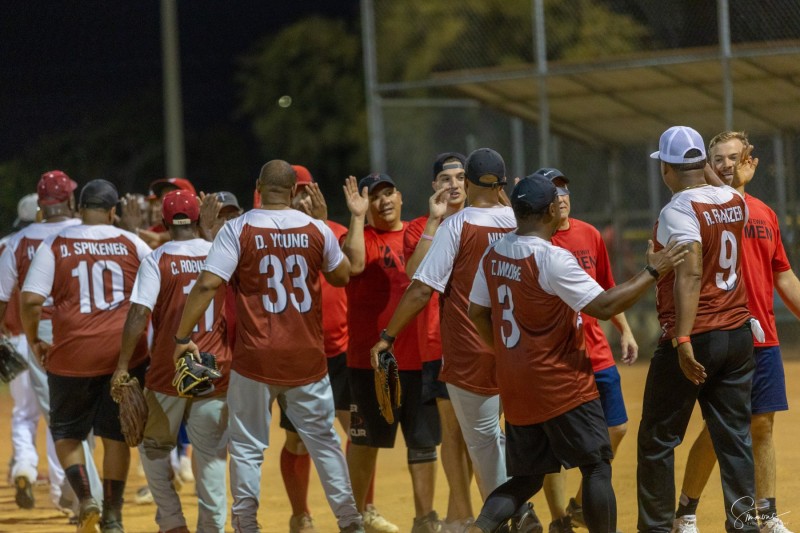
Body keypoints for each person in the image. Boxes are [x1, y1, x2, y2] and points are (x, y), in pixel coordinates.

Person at [464, 175, 687, 533]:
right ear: (551, 209)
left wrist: (508, 354)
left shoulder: (495, 252)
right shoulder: (551, 258)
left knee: (527, 478)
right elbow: (604, 304)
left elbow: (476, 312)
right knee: (597, 465)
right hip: (561, 382)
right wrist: (653, 270)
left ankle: (478, 528)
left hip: (517, 385)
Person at [172, 160, 362, 533]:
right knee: (324, 442)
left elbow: (209, 284)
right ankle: (349, 520)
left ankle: (246, 522)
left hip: (255, 357)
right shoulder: (315, 229)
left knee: (247, 447)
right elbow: (342, 276)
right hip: (307, 356)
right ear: (293, 191)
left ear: (258, 186)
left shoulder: (238, 229)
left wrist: (181, 337)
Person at [369, 148, 542, 532]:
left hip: (472, 353)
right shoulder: (521, 221)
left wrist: (387, 337)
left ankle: (514, 513)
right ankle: (517, 511)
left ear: (469, 183)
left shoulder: (457, 225)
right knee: (512, 436)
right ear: (500, 182)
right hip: (522, 350)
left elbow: (419, 290)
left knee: (484, 445)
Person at [672, 132, 800, 533]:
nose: (726, 165)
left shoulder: (764, 213)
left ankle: (765, 514)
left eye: (733, 157)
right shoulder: (708, 210)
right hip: (725, 334)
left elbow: (784, 275)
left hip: (764, 338)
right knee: (718, 429)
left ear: (751, 161)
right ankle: (686, 511)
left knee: (762, 425)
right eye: (718, 159)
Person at [637, 126, 759, 533]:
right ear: (703, 165)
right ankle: (744, 524)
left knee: (657, 440)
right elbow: (717, 191)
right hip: (738, 334)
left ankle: (656, 527)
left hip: (697, 333)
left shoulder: (677, 209)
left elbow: (688, 275)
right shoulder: (734, 200)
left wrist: (682, 339)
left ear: (668, 169)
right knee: (734, 439)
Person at [20, 179, 153, 533]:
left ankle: (85, 497)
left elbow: (31, 300)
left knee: (67, 434)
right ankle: (112, 516)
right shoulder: (132, 242)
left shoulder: (56, 243)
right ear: (113, 212)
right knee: (116, 438)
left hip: (72, 355)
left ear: (79, 211)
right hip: (122, 356)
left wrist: (35, 340)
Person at [113, 189, 231, 533]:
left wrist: (122, 365)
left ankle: (171, 522)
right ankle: (212, 528)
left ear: (164, 222)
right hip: (215, 370)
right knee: (209, 457)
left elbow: (139, 313)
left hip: (168, 373)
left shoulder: (157, 259)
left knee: (153, 449)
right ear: (197, 218)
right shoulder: (220, 254)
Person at [536, 167, 638, 533]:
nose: (561, 197)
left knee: (618, 428)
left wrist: (624, 331)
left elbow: (608, 288)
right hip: (557, 359)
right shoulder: (536, 242)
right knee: (552, 449)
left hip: (595, 351)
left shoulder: (589, 234)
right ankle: (559, 517)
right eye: (552, 191)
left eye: (564, 189)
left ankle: (580, 503)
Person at [0, 171, 104, 519]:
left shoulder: (16, 241)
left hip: (41, 332)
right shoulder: (83, 232)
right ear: (70, 200)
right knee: (80, 417)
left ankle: (81, 497)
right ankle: (75, 495)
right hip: (87, 326)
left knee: (60, 419)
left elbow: (2, 298)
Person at [342, 171, 440, 533]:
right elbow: (352, 265)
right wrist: (355, 216)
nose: (383, 201)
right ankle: (352, 519)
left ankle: (425, 519)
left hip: (419, 355)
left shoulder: (418, 233)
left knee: (423, 443)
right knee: (364, 443)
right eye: (374, 196)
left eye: (389, 193)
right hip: (369, 360)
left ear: (400, 197)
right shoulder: (357, 237)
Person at [276, 164, 354, 533]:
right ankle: (301, 514)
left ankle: (361, 508)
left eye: (306, 190)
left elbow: (350, 271)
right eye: (295, 191)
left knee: (359, 433)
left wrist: (324, 226)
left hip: (341, 349)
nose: (302, 198)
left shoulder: (336, 232)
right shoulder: (275, 236)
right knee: (297, 440)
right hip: (300, 353)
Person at [403, 152, 476, 533]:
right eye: (446, 178)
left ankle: (459, 517)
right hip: (437, 340)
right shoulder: (419, 227)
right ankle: (463, 516)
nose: (454, 184)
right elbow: (415, 274)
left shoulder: (484, 219)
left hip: (481, 339)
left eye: (461, 176)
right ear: (435, 186)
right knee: (454, 432)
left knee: (482, 431)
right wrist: (434, 220)